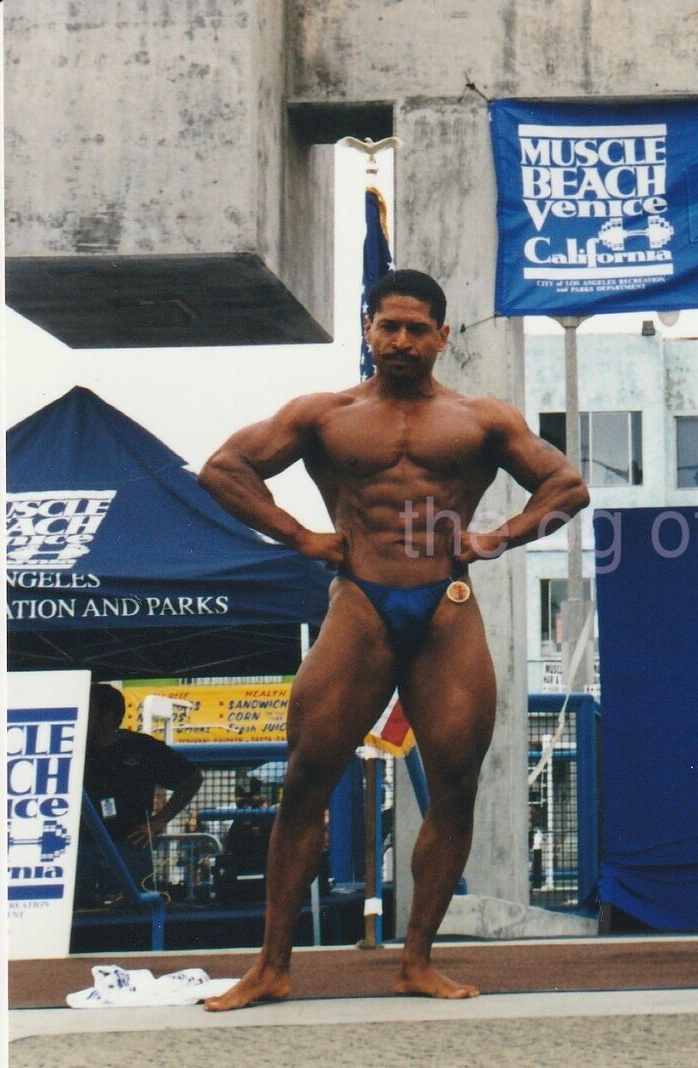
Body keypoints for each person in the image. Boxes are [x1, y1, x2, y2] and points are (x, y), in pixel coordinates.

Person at [196, 269, 590, 1010]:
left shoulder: (481, 419)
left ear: (442, 335)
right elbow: (225, 469)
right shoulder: (325, 414)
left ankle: (417, 960)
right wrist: (300, 535)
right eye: (389, 326)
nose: (402, 340)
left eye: (417, 328)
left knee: (456, 787)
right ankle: (271, 966)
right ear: (368, 330)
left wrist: (497, 537)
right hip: (359, 606)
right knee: (307, 778)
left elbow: (567, 486)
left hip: (446, 606)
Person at [77, 683, 205, 906]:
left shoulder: (142, 747)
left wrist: (159, 822)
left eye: (89, 708)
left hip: (130, 846)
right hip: (83, 847)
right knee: (81, 912)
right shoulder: (75, 747)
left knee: (133, 915)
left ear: (108, 716)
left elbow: (192, 778)